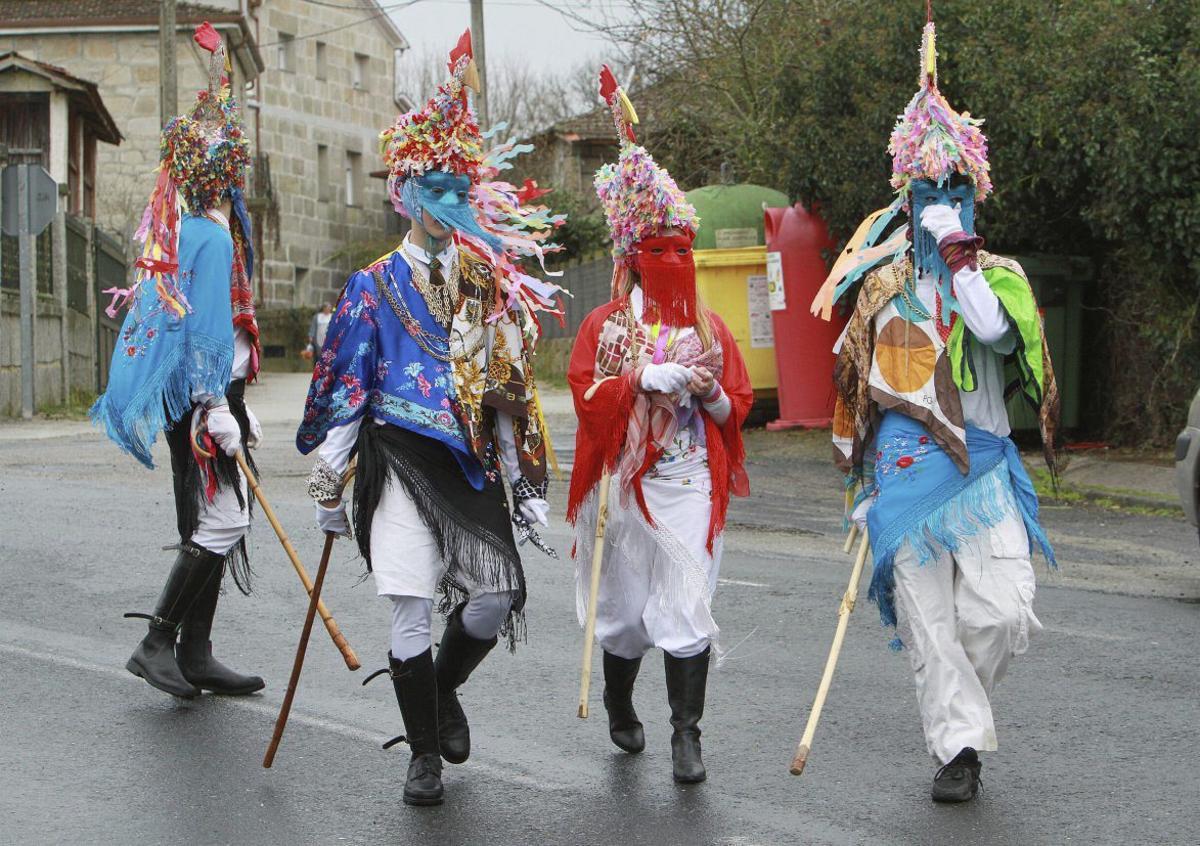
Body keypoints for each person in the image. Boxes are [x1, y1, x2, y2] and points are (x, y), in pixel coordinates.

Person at [296, 30, 566, 807]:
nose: (452, 207)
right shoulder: (371, 285)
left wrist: (525, 480)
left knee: (494, 596)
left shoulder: (486, 280)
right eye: (437, 192)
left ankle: (443, 689)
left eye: (461, 191)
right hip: (397, 464)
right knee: (410, 601)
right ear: (406, 193)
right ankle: (423, 756)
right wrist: (327, 482)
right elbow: (347, 391)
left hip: (468, 462)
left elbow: (510, 389)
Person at [813, 19, 1060, 803]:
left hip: (984, 470)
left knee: (1000, 613)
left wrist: (962, 264)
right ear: (906, 198)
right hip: (906, 477)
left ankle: (964, 718)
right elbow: (855, 388)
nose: (942, 205)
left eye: (957, 192)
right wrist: (863, 490)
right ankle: (958, 751)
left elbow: (994, 333)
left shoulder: (1002, 279)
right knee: (928, 624)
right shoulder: (882, 290)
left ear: (974, 195)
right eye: (929, 194)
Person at [566, 67, 752, 784]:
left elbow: (737, 409)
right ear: (633, 260)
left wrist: (704, 393)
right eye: (659, 252)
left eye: (684, 250)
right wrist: (640, 377)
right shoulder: (606, 327)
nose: (674, 263)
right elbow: (587, 398)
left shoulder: (712, 329)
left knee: (685, 607)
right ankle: (620, 703)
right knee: (622, 614)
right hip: (622, 488)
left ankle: (687, 733)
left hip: (689, 485)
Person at [90, 23, 264, 699]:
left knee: (209, 524)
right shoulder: (211, 240)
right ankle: (158, 640)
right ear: (223, 176)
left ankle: (196, 651)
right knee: (223, 522)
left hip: (213, 397)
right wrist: (218, 406)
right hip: (202, 400)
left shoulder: (190, 230)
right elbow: (205, 334)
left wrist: (236, 400)